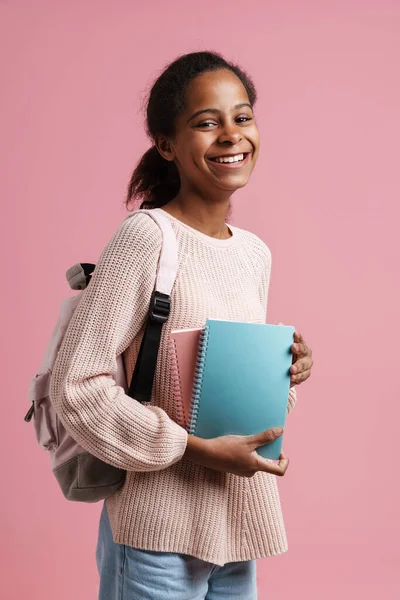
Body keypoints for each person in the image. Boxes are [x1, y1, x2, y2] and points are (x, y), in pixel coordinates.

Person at [50, 50, 313, 600]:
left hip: (236, 532)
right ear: (167, 145)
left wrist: (282, 374)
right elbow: (76, 386)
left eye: (241, 117)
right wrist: (189, 448)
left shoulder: (254, 254)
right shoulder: (146, 238)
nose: (230, 135)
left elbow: (214, 392)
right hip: (155, 534)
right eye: (206, 122)